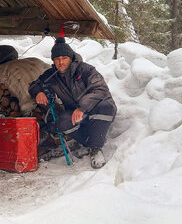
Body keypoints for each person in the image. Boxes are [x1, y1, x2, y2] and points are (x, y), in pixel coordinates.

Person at [28, 36, 117, 169]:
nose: (61, 62)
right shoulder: (52, 75)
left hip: (96, 107)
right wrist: (38, 92)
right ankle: (87, 142)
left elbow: (100, 89)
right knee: (62, 121)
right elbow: (34, 84)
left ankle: (96, 148)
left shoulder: (86, 70)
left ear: (71, 58)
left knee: (105, 107)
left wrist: (82, 107)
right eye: (57, 59)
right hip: (76, 112)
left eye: (64, 58)